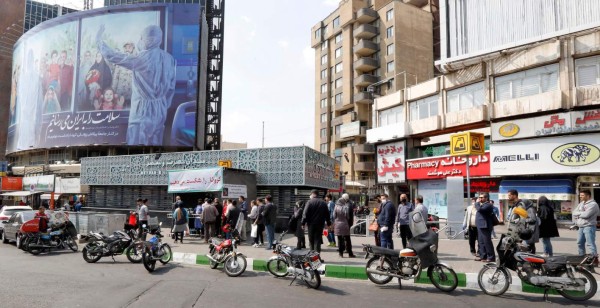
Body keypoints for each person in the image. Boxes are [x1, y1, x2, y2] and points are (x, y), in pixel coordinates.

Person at [97, 24, 176, 145]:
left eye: (141, 38)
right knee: (155, 148)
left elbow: (113, 56)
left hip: (142, 112)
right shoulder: (170, 59)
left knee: (137, 147)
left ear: (148, 40)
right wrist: (162, 105)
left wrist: (99, 40)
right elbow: (171, 88)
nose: (139, 41)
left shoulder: (142, 59)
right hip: (160, 111)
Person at [302, 189, 331, 254]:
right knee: (317, 240)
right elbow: (327, 214)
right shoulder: (323, 203)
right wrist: (329, 224)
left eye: (310, 194)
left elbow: (305, 213)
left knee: (311, 240)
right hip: (320, 224)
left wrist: (303, 223)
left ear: (313, 194)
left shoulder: (309, 202)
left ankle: (312, 256)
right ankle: (317, 257)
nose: (310, 196)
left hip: (311, 224)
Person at [572, 189, 599, 259]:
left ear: (588, 196)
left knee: (590, 243)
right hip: (581, 226)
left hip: (589, 226)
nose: (580, 197)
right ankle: (581, 257)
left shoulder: (593, 204)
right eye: (580, 195)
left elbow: (586, 215)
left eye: (582, 195)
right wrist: (581, 213)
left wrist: (578, 214)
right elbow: (574, 212)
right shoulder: (581, 203)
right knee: (580, 243)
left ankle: (594, 258)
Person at [475, 193, 495, 262]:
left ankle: (491, 257)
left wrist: (477, 203)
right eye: (479, 197)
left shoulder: (488, 205)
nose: (480, 199)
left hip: (485, 226)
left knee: (487, 242)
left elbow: (480, 210)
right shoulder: (482, 205)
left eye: (482, 197)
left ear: (486, 198)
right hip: (480, 225)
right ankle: (483, 256)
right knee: (481, 242)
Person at [334, 193, 355, 258]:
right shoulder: (346, 207)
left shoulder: (336, 206)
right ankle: (350, 254)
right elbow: (348, 217)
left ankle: (341, 254)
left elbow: (334, 216)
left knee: (340, 239)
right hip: (345, 224)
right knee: (347, 239)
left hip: (338, 224)